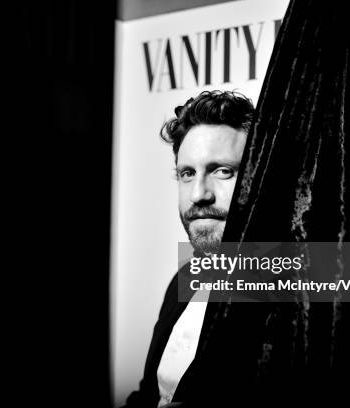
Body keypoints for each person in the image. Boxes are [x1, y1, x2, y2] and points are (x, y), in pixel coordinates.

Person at [123, 90, 254, 408]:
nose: (198, 194)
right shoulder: (186, 277)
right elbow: (147, 397)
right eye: (187, 173)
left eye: (223, 170)